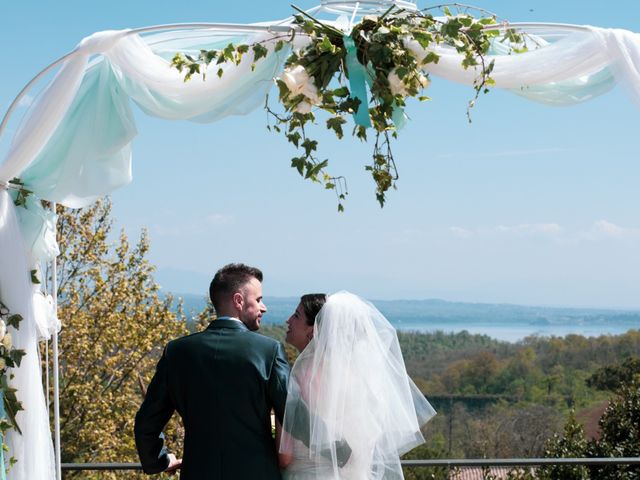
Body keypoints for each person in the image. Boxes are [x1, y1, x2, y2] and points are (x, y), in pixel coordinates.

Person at [134, 263, 290, 479]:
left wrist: (158, 460)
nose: (264, 308)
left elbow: (146, 422)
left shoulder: (177, 352)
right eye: (259, 300)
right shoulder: (269, 351)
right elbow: (294, 417)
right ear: (238, 300)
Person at [279, 291, 436, 479]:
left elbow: (285, 457)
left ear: (312, 331)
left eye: (296, 316)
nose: (288, 320)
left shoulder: (298, 375)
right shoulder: (359, 376)